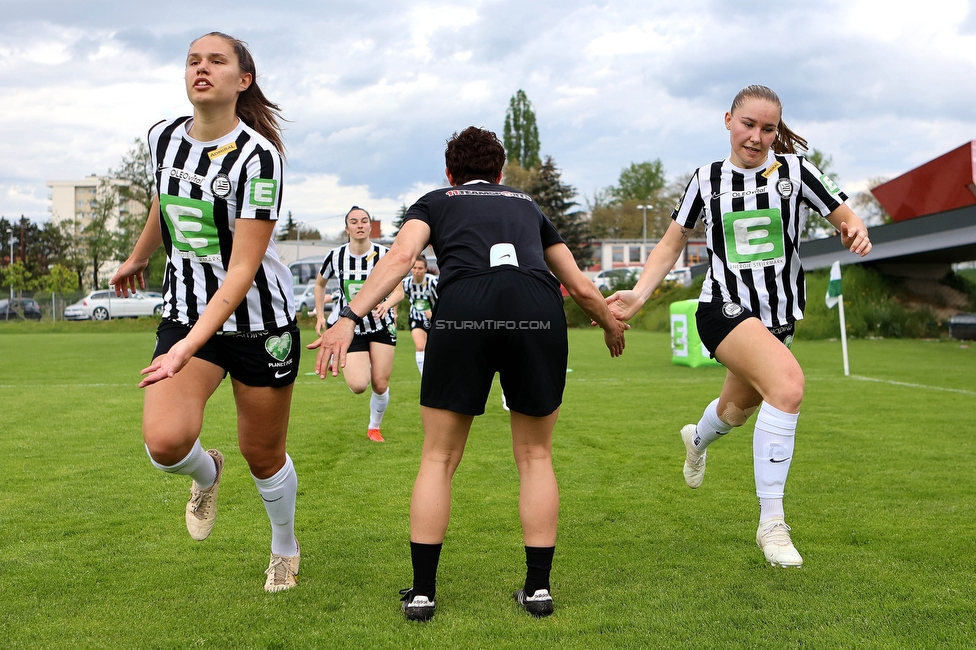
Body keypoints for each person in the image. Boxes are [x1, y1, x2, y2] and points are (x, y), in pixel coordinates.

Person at [310, 126, 627, 621]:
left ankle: (422, 594)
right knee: (535, 454)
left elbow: (399, 257)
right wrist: (610, 324)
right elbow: (582, 286)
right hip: (535, 307)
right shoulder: (526, 204)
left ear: (449, 172)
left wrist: (346, 318)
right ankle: (538, 591)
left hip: (464, 310)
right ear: (500, 172)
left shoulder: (435, 200)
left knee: (438, 457)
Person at [607, 85, 872, 568]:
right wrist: (640, 295)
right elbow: (671, 244)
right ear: (728, 120)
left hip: (779, 321)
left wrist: (854, 229)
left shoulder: (796, 172)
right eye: (748, 124)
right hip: (723, 309)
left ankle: (697, 439)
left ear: (776, 132)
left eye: (767, 128)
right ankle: (772, 524)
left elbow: (845, 216)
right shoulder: (706, 179)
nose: (756, 136)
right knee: (788, 386)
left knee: (735, 411)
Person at [110, 32, 302, 593]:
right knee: (165, 443)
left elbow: (242, 269)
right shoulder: (162, 137)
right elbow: (165, 198)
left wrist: (189, 345)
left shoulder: (259, 158)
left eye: (217, 61)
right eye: (193, 60)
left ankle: (284, 548)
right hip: (186, 309)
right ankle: (208, 473)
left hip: (258, 322)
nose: (202, 68)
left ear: (242, 81)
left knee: (263, 454)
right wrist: (139, 255)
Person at [314, 206, 405, 442]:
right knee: (358, 385)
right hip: (352, 329)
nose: (360, 225)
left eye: (364, 221)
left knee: (380, 383)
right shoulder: (336, 256)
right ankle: (355, 363)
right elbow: (319, 285)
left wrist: (387, 304)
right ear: (347, 228)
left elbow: (398, 291)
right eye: (354, 222)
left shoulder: (385, 254)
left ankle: (374, 427)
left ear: (369, 226)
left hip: (381, 325)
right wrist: (320, 316)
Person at [401, 255, 438, 375]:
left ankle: (436, 373)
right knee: (420, 346)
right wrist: (395, 313)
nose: (417, 271)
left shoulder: (432, 282)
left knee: (433, 350)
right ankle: (425, 377)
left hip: (435, 319)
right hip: (416, 318)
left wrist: (435, 312)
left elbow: (443, 298)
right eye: (415, 268)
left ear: (425, 269)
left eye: (420, 268)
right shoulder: (406, 283)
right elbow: (397, 294)